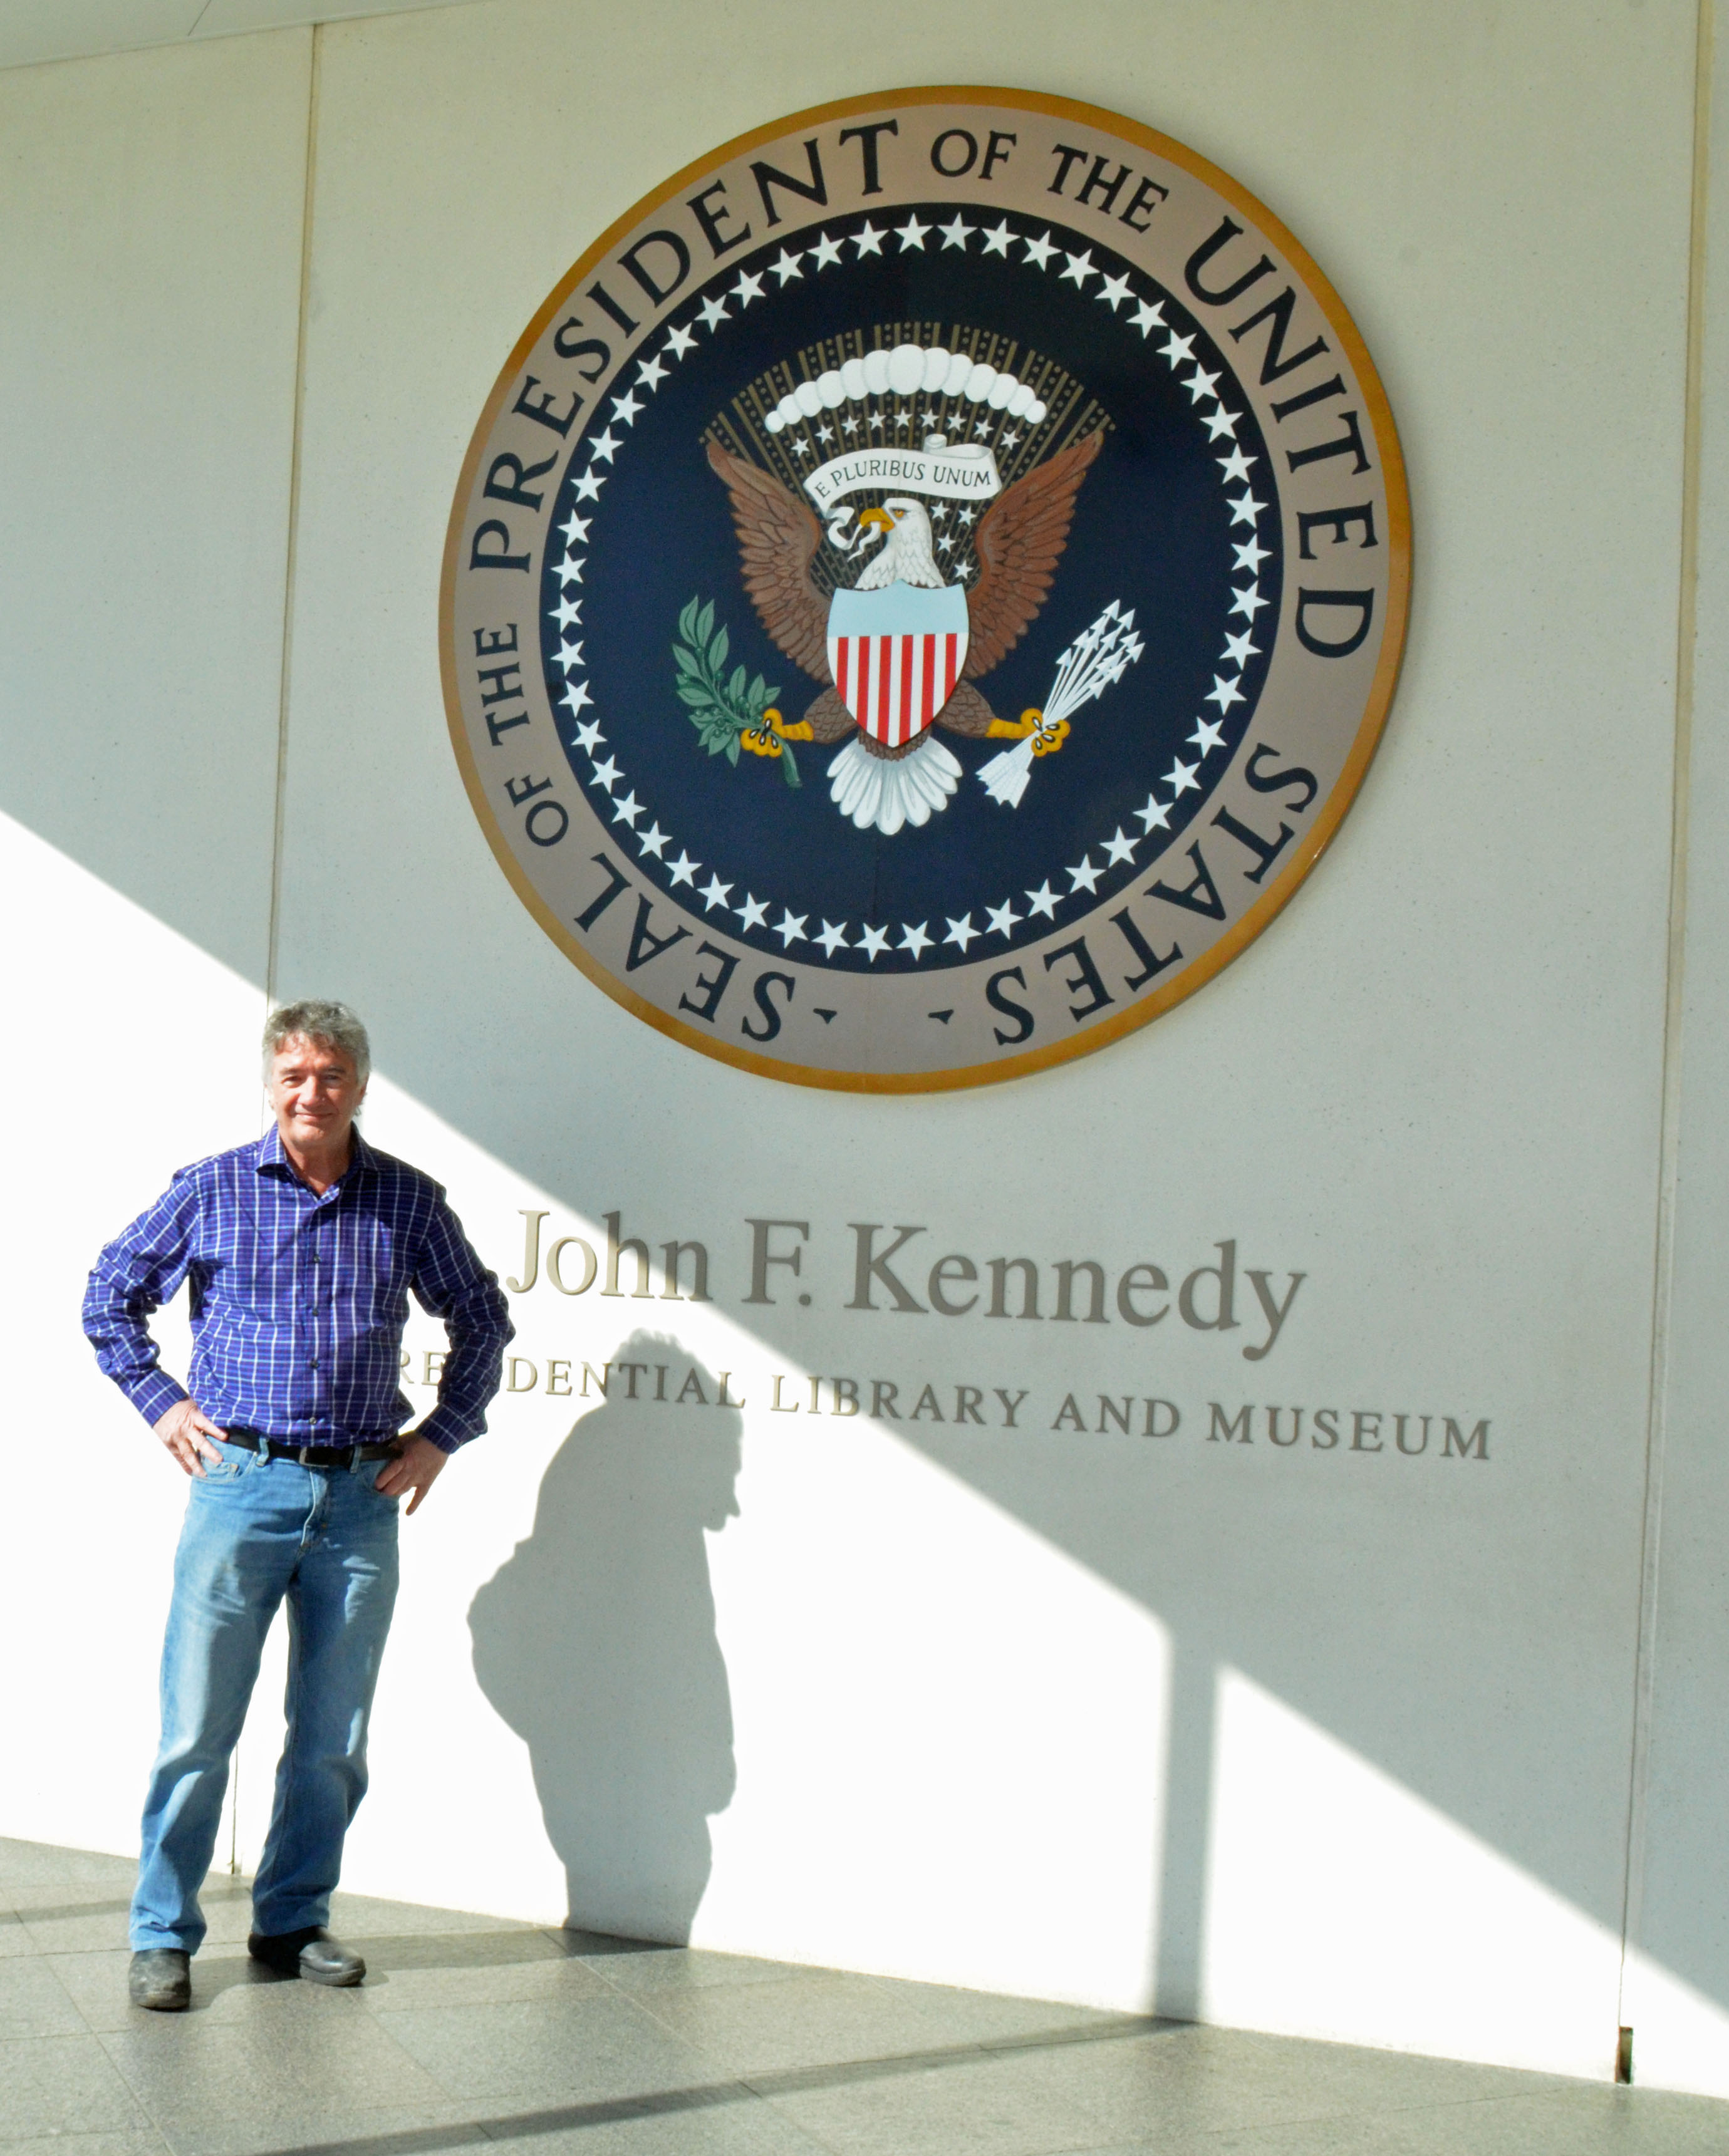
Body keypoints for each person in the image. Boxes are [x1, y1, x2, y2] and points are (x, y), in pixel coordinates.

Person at [83, 1000, 513, 2013]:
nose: (311, 1092)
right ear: (269, 1083)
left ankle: (290, 1920)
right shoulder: (215, 1188)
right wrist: (161, 1402)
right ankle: (162, 1934)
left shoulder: (407, 1202)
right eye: (293, 1075)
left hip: (361, 1499)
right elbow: (109, 1293)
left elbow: (483, 1318)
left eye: (330, 1075)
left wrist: (443, 1432)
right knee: (197, 1727)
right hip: (242, 1487)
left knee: (330, 1733)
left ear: (360, 1085)